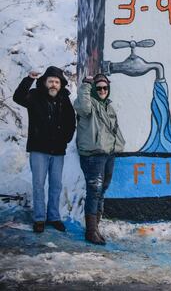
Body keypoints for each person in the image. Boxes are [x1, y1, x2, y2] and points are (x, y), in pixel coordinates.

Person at [13, 66, 76, 233]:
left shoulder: (64, 99)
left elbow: (71, 121)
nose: (54, 85)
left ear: (61, 84)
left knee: (56, 185)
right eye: (51, 81)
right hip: (39, 149)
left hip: (58, 151)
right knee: (39, 184)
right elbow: (17, 97)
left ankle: (54, 217)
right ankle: (39, 218)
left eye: (56, 82)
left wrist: (66, 139)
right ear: (45, 82)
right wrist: (29, 79)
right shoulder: (35, 96)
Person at [74, 74, 125, 245]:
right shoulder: (87, 104)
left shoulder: (108, 106)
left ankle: (96, 227)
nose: (103, 91)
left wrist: (119, 145)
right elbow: (84, 107)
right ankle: (90, 231)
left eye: (105, 88)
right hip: (92, 154)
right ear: (93, 90)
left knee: (102, 190)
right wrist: (86, 85)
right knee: (94, 191)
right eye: (99, 88)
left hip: (108, 153)